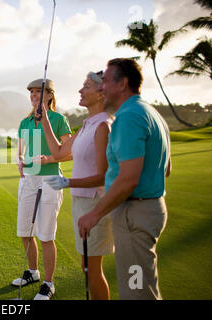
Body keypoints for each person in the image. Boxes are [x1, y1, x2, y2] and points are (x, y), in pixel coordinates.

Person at [77, 58, 171, 300]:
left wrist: (94, 214)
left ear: (123, 84)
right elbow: (166, 169)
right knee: (141, 286)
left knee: (136, 290)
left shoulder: (128, 117)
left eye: (106, 81)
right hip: (149, 210)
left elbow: (129, 179)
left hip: (135, 213)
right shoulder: (151, 112)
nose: (102, 87)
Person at [40, 71, 115, 300]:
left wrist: (67, 181)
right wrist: (44, 117)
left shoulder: (103, 125)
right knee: (87, 268)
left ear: (101, 93)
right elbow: (60, 153)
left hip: (95, 202)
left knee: (92, 270)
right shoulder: (87, 124)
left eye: (86, 86)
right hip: (82, 201)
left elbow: (104, 175)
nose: (80, 90)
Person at [12, 78, 72, 300]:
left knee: (46, 235)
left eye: (39, 92)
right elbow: (21, 151)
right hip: (28, 180)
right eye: (32, 92)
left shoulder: (58, 119)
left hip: (50, 181)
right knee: (25, 232)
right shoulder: (25, 122)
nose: (34, 95)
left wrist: (48, 160)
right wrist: (20, 160)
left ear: (49, 95)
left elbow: (69, 151)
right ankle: (33, 272)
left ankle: (48, 283)